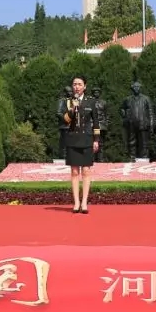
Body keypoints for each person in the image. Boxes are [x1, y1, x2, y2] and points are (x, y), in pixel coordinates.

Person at [58, 75, 101, 214]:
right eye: (74, 84)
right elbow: (65, 120)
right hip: (72, 139)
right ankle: (76, 202)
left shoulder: (91, 102)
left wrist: (96, 140)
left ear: (85, 86)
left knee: (86, 171)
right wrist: (72, 109)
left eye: (79, 84)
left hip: (87, 139)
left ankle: (84, 203)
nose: (76, 87)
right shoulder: (68, 101)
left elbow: (96, 122)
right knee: (75, 172)